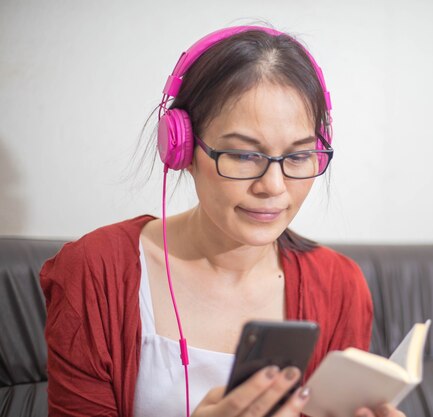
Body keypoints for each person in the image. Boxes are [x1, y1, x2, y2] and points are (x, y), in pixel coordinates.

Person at [41, 25, 406, 417]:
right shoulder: (96, 272)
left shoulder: (340, 286)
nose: (273, 186)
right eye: (245, 155)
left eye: (298, 157)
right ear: (180, 148)